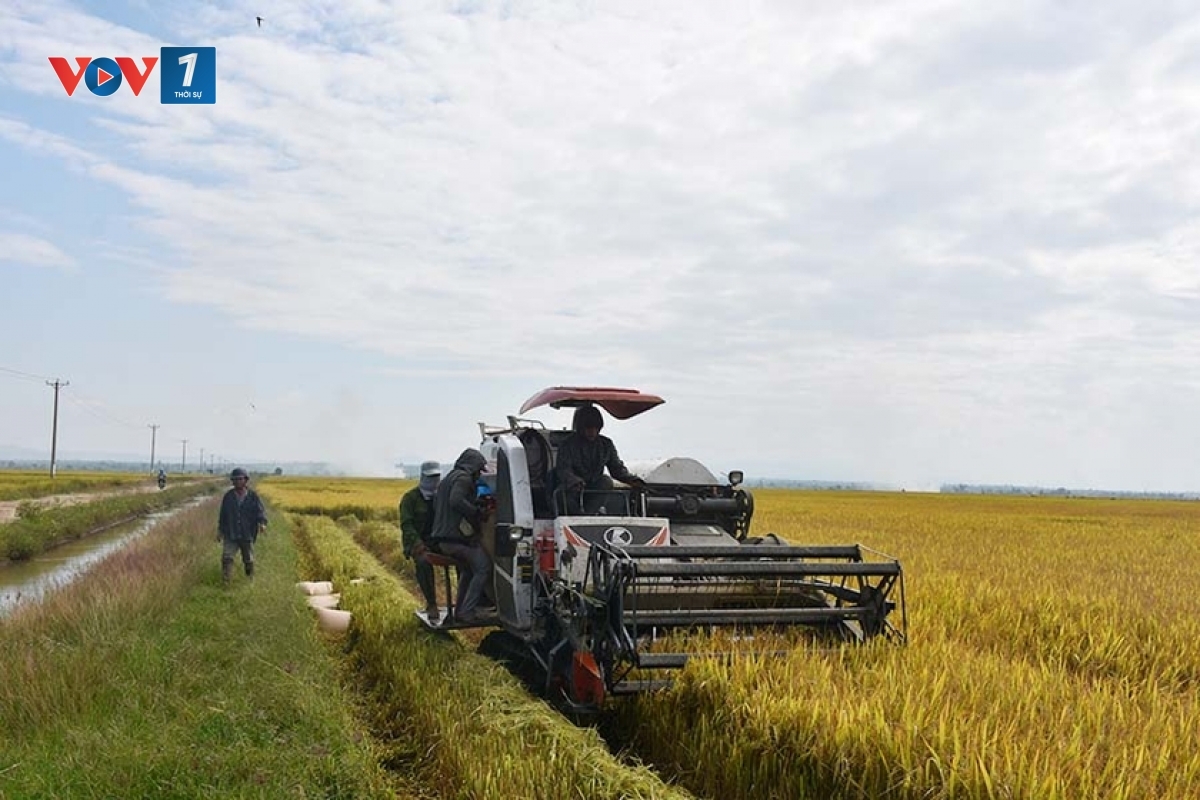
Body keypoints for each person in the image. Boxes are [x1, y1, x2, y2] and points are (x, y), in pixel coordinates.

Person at [429, 448, 493, 623]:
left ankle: (460, 610)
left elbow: (443, 504)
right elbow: (456, 501)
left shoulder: (448, 479)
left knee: (468, 569)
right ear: (472, 467)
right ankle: (467, 611)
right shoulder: (463, 478)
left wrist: (472, 503)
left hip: (442, 539)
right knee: (483, 567)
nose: (479, 474)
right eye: (479, 470)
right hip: (454, 539)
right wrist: (476, 512)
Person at [554, 405, 643, 513]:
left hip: (595, 489)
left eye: (595, 428)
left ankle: (588, 517)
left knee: (606, 481)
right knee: (561, 494)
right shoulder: (567, 445)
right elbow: (563, 469)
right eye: (588, 428)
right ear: (581, 428)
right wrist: (574, 481)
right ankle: (574, 516)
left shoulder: (606, 445)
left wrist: (632, 480)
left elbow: (617, 469)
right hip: (571, 489)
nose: (592, 431)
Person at [399, 460, 442, 621]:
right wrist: (417, 543)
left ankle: (463, 603)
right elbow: (407, 525)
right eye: (431, 478)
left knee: (464, 557)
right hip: (417, 541)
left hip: (437, 540)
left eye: (437, 477)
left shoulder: (441, 497)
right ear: (423, 477)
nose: (434, 482)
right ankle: (431, 603)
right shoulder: (410, 498)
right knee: (423, 562)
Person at [217, 467, 267, 586]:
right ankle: (226, 581)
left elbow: (260, 512)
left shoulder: (253, 496)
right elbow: (223, 515)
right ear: (232, 481)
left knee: (248, 559)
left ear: (245, 480)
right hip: (231, 532)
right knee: (227, 557)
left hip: (247, 533)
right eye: (235, 479)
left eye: (240, 479)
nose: (238, 481)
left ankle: (250, 580)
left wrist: (262, 523)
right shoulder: (228, 497)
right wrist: (220, 531)